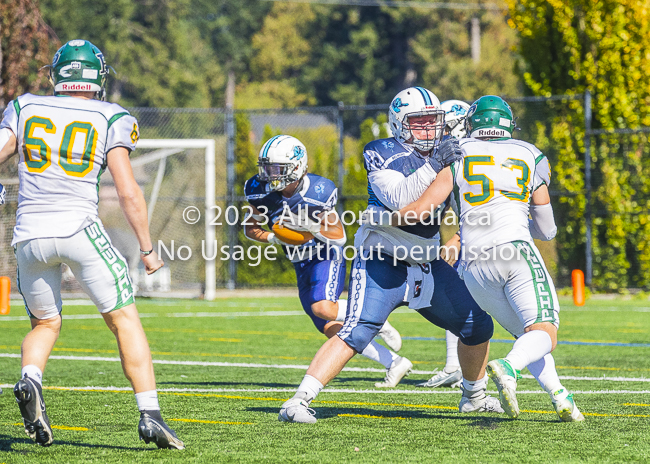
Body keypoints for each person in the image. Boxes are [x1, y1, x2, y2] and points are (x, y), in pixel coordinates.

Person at [0, 40, 185, 448]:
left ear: (57, 75)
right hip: (79, 229)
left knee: (45, 323)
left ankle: (31, 379)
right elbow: (127, 190)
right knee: (123, 319)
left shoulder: (24, 105)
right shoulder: (111, 116)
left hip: (28, 235)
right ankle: (150, 414)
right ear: (98, 77)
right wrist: (148, 249)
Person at [278, 87, 502, 424]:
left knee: (477, 325)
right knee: (357, 330)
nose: (429, 129)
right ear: (399, 124)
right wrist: (436, 165)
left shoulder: (447, 155)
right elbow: (400, 197)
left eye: (433, 122)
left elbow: (464, 205)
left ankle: (474, 396)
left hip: (426, 263)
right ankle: (297, 401)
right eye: (419, 122)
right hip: (382, 258)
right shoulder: (382, 151)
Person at [392, 95, 584, 422]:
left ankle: (560, 396)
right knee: (545, 331)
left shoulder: (455, 153)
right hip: (515, 251)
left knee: (529, 336)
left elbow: (422, 208)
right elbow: (547, 229)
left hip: (474, 266)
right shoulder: (529, 153)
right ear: (509, 123)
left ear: (472, 124)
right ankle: (508, 366)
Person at [243, 135, 409, 388]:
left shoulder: (319, 191)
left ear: (296, 167)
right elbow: (250, 228)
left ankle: (373, 315)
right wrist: (275, 238)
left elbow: (339, 236)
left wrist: (310, 227)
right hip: (298, 260)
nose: (269, 175)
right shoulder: (258, 190)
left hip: (324, 254)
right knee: (331, 327)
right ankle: (394, 362)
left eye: (276, 169)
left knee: (322, 307)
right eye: (266, 168)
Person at [417, 99, 470, 389]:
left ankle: (519, 360)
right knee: (455, 294)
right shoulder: (450, 156)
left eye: (442, 126)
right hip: (471, 235)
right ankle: (454, 365)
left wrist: (457, 238)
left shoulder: (469, 155)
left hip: (487, 238)